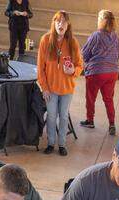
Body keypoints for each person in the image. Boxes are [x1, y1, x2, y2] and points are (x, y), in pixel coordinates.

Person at [36, 10, 82, 156]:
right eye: (58, 21)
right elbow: (40, 68)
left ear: (68, 25)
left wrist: (73, 71)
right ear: (54, 23)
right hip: (50, 89)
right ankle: (50, 143)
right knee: (51, 116)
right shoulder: (45, 40)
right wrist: (44, 88)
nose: (61, 24)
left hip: (67, 89)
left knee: (63, 116)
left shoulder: (73, 42)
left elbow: (80, 65)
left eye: (64, 22)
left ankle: (61, 144)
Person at [80, 10, 119, 135]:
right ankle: (112, 124)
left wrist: (86, 62)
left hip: (96, 72)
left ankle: (90, 120)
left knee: (91, 97)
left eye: (98, 18)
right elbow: (117, 54)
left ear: (102, 20)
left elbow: (84, 54)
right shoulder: (115, 36)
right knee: (109, 99)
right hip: (112, 72)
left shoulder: (96, 35)